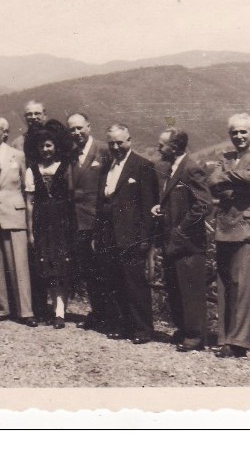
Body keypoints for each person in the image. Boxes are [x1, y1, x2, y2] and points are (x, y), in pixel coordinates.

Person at [206, 113, 250, 358]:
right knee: (225, 283)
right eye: (234, 132)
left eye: (243, 132)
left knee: (243, 284)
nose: (238, 136)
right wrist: (235, 181)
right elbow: (212, 181)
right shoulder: (225, 157)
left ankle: (239, 341)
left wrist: (226, 179)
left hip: (248, 225)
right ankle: (224, 338)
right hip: (226, 224)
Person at [96, 124, 160, 344]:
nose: (115, 147)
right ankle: (122, 325)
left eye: (119, 142)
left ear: (129, 141)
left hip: (132, 237)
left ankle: (142, 329)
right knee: (114, 282)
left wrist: (144, 239)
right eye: (111, 143)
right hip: (109, 235)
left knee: (135, 284)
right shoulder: (107, 166)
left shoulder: (143, 166)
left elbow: (148, 206)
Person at [152, 128, 213, 351]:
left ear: (175, 147)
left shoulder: (191, 168)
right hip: (172, 240)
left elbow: (203, 204)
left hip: (188, 243)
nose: (158, 148)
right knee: (175, 286)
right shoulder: (171, 168)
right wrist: (161, 208)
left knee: (190, 289)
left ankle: (195, 336)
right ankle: (183, 330)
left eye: (162, 145)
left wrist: (181, 229)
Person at [0, 116, 38, 327]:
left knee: (19, 264)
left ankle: (26, 311)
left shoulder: (18, 156)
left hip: (14, 214)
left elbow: (24, 186)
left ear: (5, 134)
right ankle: (2, 308)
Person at [23, 122, 75, 328]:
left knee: (60, 266)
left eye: (49, 146)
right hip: (41, 223)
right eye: (42, 146)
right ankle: (45, 309)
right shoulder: (32, 171)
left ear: (56, 146)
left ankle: (60, 311)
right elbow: (29, 203)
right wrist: (30, 231)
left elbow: (71, 196)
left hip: (61, 222)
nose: (45, 150)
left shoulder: (65, 167)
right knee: (45, 265)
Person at [66, 113, 112, 331]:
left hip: (98, 220)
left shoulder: (104, 150)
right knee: (88, 270)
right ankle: (98, 312)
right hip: (78, 221)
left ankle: (111, 315)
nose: (76, 133)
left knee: (104, 269)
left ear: (89, 127)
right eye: (72, 129)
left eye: (79, 128)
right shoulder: (72, 153)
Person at [10, 100, 51, 320]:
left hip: (51, 205)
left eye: (37, 113)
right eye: (29, 114)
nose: (33, 118)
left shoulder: (53, 140)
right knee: (32, 255)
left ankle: (57, 307)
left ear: (45, 114)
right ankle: (34, 305)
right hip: (27, 201)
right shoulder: (18, 143)